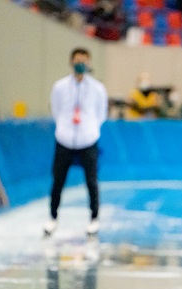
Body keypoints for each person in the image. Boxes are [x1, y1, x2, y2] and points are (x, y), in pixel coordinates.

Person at [44, 47, 108, 237]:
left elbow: (101, 113)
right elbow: (56, 110)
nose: (80, 64)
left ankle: (94, 218)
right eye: (77, 60)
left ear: (89, 63)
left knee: (91, 180)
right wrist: (64, 127)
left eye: (84, 60)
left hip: (88, 139)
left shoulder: (98, 88)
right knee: (58, 180)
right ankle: (52, 217)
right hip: (64, 139)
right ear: (71, 62)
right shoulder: (60, 87)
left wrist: (90, 129)